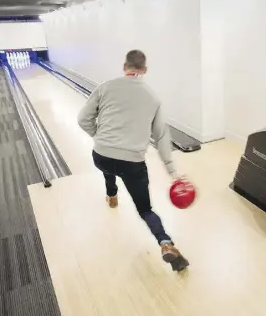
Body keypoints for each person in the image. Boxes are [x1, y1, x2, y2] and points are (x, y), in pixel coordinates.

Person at [77, 50, 189, 272]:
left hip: (101, 155)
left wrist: (99, 137)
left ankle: (111, 195)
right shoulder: (153, 97)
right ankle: (165, 242)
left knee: (108, 167)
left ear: (124, 67)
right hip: (132, 163)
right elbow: (161, 136)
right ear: (144, 70)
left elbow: (83, 119)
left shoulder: (105, 87)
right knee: (145, 209)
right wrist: (172, 171)